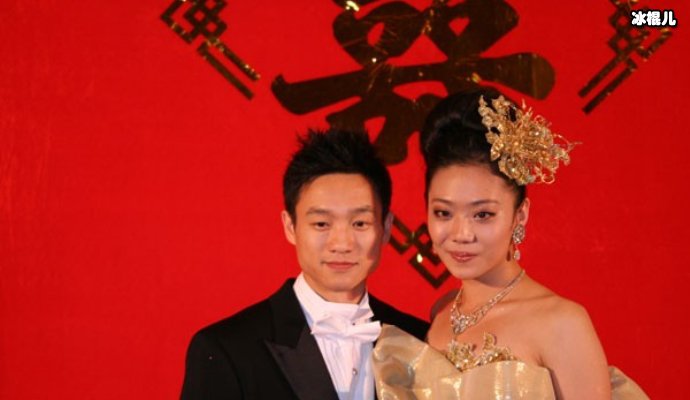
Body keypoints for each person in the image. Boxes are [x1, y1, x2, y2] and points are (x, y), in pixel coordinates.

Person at [372, 89, 648, 399]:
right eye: (443, 213)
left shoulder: (561, 323)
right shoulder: (442, 313)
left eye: (483, 214)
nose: (462, 233)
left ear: (520, 215)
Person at [180, 128, 429, 400]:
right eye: (321, 224)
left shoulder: (420, 342)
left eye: (360, 223)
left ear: (387, 228)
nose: (342, 243)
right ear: (290, 226)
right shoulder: (227, 350)